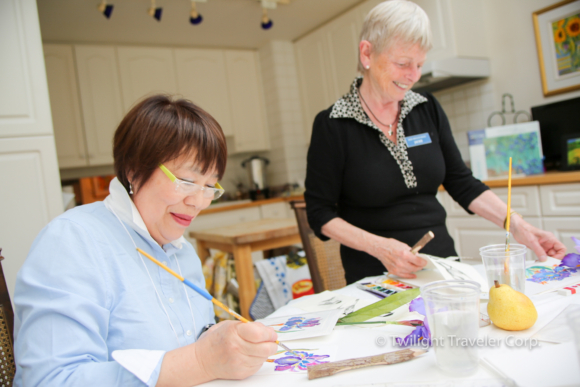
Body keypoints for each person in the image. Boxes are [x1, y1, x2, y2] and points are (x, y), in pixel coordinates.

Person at [13, 95, 278, 386]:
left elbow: (187, 340)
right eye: (187, 181)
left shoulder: (181, 251)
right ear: (134, 171)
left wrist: (222, 341)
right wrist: (201, 362)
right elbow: (50, 380)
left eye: (210, 187)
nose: (199, 202)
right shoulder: (72, 241)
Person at [304, 0, 567, 284]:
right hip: (376, 278)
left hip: (443, 267)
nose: (413, 76)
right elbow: (320, 214)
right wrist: (380, 247)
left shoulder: (426, 107)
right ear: (367, 53)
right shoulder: (333, 125)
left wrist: (517, 225)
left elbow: (461, 181)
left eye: (419, 64)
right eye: (403, 63)